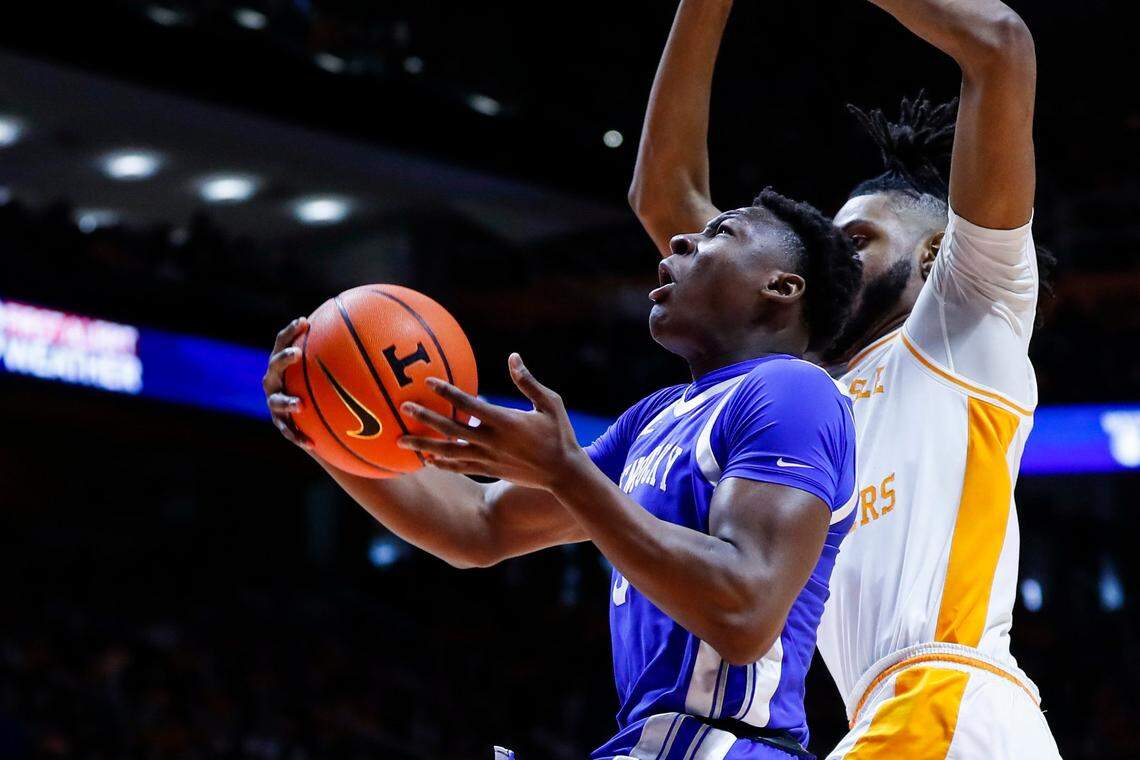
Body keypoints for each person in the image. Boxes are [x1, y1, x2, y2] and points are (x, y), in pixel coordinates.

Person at [264, 189, 862, 758]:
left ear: (781, 288)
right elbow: (479, 524)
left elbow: (745, 613)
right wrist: (324, 429)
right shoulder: (656, 417)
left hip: (730, 745)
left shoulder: (793, 390)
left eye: (720, 231)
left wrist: (565, 471)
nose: (680, 240)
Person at [628, 0, 1062, 756]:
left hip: (949, 703)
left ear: (933, 256)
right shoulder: (798, 393)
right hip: (884, 721)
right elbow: (667, 204)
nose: (829, 255)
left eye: (854, 238)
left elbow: (1000, 45)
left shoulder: (965, 324)